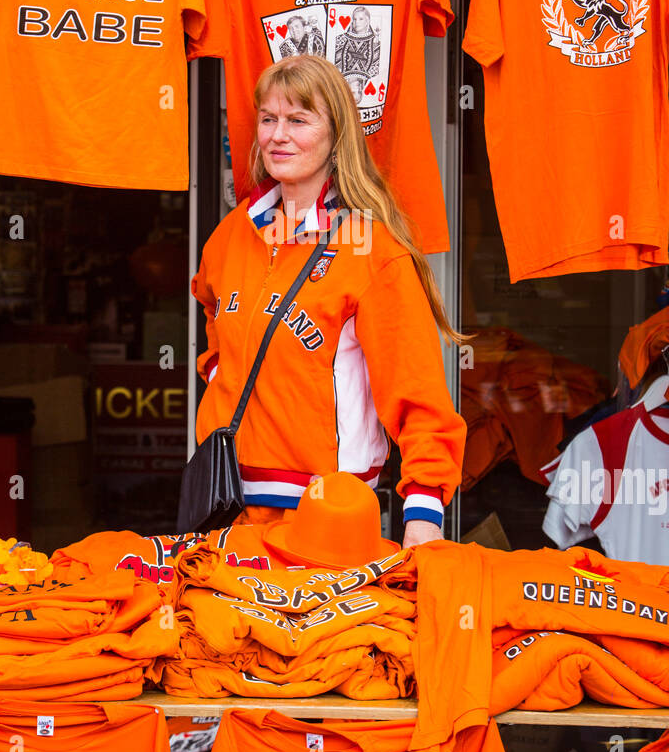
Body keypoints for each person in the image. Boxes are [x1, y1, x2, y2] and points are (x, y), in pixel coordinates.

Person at [190, 54, 467, 549]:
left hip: (325, 517)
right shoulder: (231, 235)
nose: (278, 135)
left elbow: (419, 395)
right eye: (269, 119)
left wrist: (423, 513)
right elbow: (212, 310)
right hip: (225, 511)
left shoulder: (371, 250)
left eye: (298, 120)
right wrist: (220, 374)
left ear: (336, 134)